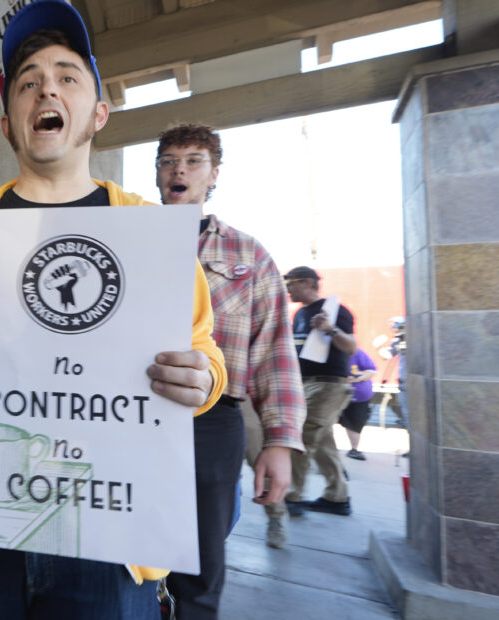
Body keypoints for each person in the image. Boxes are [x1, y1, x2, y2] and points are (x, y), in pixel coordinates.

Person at [0, 2, 227, 617]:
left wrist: (203, 377)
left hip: (109, 526)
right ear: (9, 125)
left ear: (97, 114)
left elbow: (205, 351)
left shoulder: (146, 227)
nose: (45, 88)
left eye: (67, 77)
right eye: (28, 83)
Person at [154, 124, 306, 616]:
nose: (179, 169)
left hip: (212, 420)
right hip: (127, 410)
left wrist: (279, 442)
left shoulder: (249, 255)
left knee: (199, 565)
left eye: (194, 160)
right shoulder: (126, 239)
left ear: (214, 175)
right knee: (125, 548)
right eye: (169, 160)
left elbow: (275, 351)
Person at [284, 266, 357, 516]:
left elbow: (350, 347)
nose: (287, 290)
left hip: (328, 385)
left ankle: (293, 495)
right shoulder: (300, 314)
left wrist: (330, 329)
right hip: (306, 384)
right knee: (324, 444)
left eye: (290, 284)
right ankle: (337, 497)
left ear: (307, 283)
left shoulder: (336, 310)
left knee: (302, 438)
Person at [340, 348, 377, 460]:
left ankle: (354, 449)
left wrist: (357, 378)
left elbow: (372, 371)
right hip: (336, 393)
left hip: (358, 395)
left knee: (355, 422)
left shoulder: (358, 353)